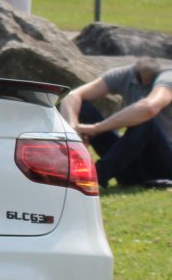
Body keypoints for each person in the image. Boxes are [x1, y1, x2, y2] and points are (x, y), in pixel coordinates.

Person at [60, 57, 172, 189]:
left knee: (145, 122)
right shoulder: (125, 74)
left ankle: (96, 174)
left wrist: (97, 128)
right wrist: (75, 131)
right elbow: (72, 96)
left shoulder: (167, 77)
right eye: (141, 80)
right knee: (84, 109)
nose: (145, 83)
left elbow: (148, 108)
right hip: (131, 163)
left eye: (149, 81)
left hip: (164, 164)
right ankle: (87, 169)